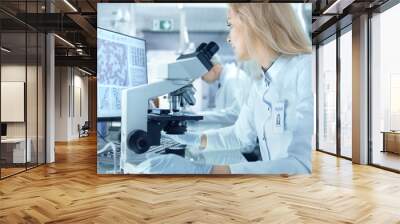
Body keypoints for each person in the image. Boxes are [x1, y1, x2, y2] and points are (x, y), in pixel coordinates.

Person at [135, 3, 313, 175]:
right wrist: (195, 140)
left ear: (253, 24)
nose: (229, 37)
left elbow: (301, 166)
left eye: (231, 25)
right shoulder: (259, 83)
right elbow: (239, 136)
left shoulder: (306, 70)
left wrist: (206, 171)